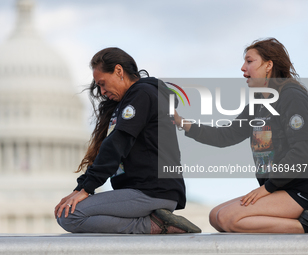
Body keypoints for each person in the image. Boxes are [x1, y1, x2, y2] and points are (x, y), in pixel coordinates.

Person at [54, 47, 201, 234]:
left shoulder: (143, 94)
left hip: (152, 191)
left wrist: (85, 188)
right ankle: (154, 221)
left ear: (118, 71)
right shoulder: (129, 101)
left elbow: (117, 142)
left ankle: (155, 225)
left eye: (103, 83)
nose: (102, 91)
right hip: (143, 191)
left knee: (69, 216)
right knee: (71, 212)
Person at [175, 38, 308, 233]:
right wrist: (180, 121)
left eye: (249, 61)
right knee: (215, 217)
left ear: (268, 65)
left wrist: (266, 189)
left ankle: (304, 225)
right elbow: (225, 135)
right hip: (277, 189)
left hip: (298, 189)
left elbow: (302, 151)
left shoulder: (291, 95)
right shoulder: (258, 104)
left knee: (228, 218)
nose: (243, 68)